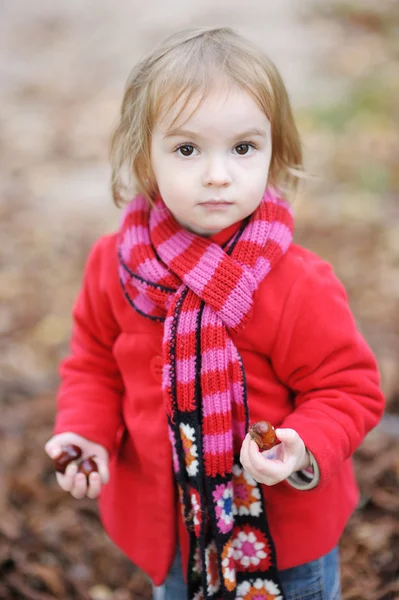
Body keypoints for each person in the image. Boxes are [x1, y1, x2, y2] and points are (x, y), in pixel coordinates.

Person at [44, 27, 385, 600]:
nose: (218, 174)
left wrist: (300, 443)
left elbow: (348, 389)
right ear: (144, 159)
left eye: (243, 147)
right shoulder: (116, 265)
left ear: (276, 152)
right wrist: (87, 432)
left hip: (281, 538)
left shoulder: (296, 281)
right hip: (170, 531)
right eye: (186, 149)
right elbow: (93, 365)